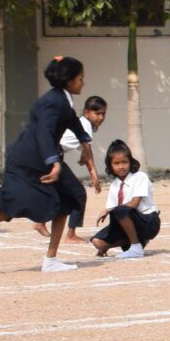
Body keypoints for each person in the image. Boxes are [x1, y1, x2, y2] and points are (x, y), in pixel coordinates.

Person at [0, 56, 88, 271]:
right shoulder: (52, 102)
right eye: (81, 78)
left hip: (34, 160)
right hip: (29, 162)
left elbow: (71, 120)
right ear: (69, 80)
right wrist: (54, 162)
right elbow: (44, 132)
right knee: (18, 204)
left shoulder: (62, 99)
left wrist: (85, 144)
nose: (83, 82)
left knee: (65, 198)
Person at [89, 141, 160, 259]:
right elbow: (114, 209)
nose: (121, 166)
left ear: (130, 162)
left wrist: (109, 210)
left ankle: (136, 246)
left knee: (120, 210)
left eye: (124, 162)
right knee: (97, 242)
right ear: (110, 165)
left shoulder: (139, 177)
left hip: (147, 222)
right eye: (116, 163)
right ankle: (137, 241)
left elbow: (134, 203)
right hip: (128, 223)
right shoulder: (114, 185)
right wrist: (107, 210)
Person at [59, 95, 107, 242]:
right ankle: (71, 235)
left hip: (51, 155)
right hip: (52, 155)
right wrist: (94, 177)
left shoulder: (82, 124)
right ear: (86, 112)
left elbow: (85, 153)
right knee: (79, 193)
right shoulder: (84, 124)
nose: (101, 117)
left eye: (103, 114)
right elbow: (87, 153)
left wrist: (92, 172)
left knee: (59, 192)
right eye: (97, 113)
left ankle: (40, 222)